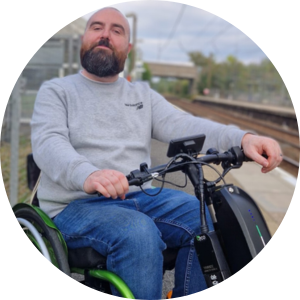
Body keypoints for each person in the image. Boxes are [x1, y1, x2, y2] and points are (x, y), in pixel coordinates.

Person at [31, 7, 282, 299]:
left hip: (138, 197)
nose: (105, 34)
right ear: (84, 39)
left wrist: (243, 138)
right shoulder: (57, 91)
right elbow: (49, 143)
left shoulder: (142, 96)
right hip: (75, 206)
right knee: (137, 233)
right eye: (96, 27)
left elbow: (185, 125)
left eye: (116, 30)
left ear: (129, 48)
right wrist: (88, 174)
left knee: (200, 218)